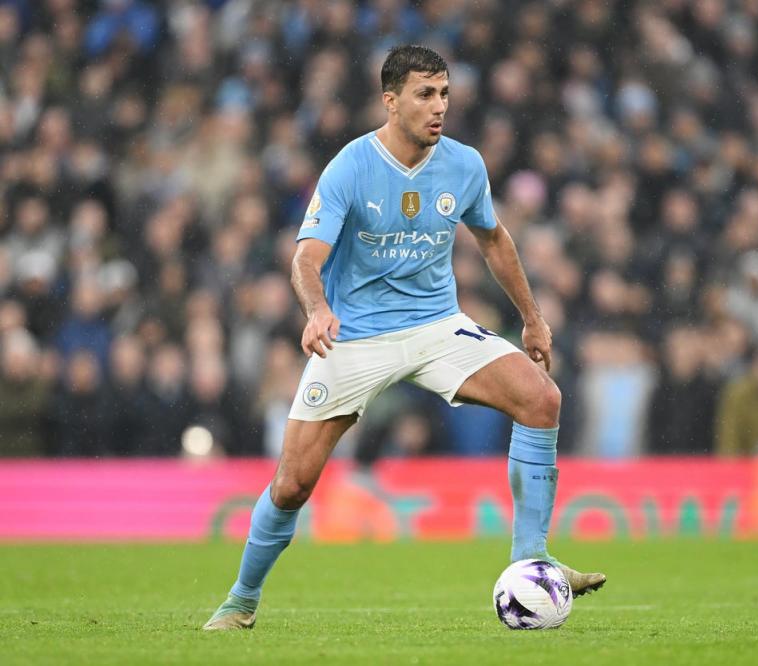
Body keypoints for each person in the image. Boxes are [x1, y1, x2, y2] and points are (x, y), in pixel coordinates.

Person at [204, 46, 605, 631]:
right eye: (424, 94)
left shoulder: (464, 165)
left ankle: (533, 561)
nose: (438, 106)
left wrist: (533, 318)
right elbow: (306, 259)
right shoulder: (350, 167)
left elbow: (493, 240)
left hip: (438, 326)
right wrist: (316, 310)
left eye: (444, 93)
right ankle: (240, 601)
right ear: (390, 101)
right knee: (291, 485)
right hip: (356, 337)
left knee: (542, 398)